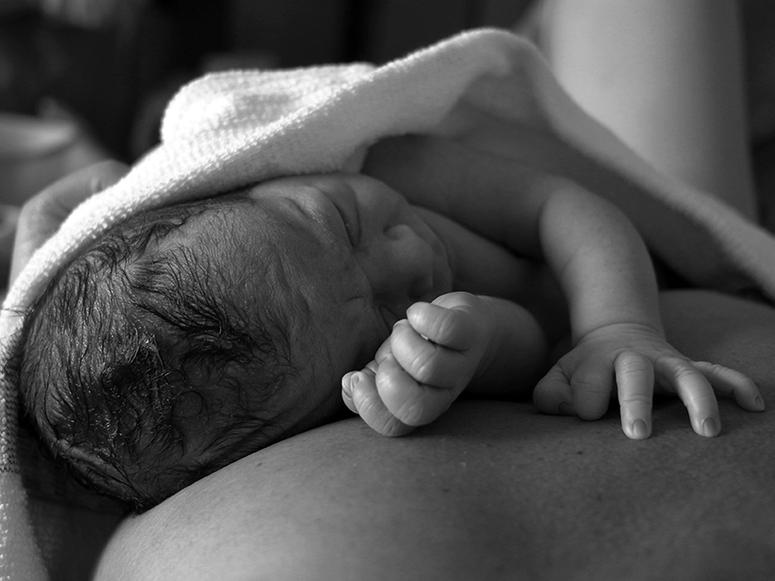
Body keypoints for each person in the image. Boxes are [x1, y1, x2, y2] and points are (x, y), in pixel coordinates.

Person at [10, 2, 775, 579]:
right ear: (328, 401)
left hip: (626, 263)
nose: (403, 258)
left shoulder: (390, 168)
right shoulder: (383, 343)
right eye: (380, 315)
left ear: (257, 175)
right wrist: (462, 347)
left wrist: (616, 325)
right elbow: (538, 346)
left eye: (341, 221)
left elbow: (560, 207)